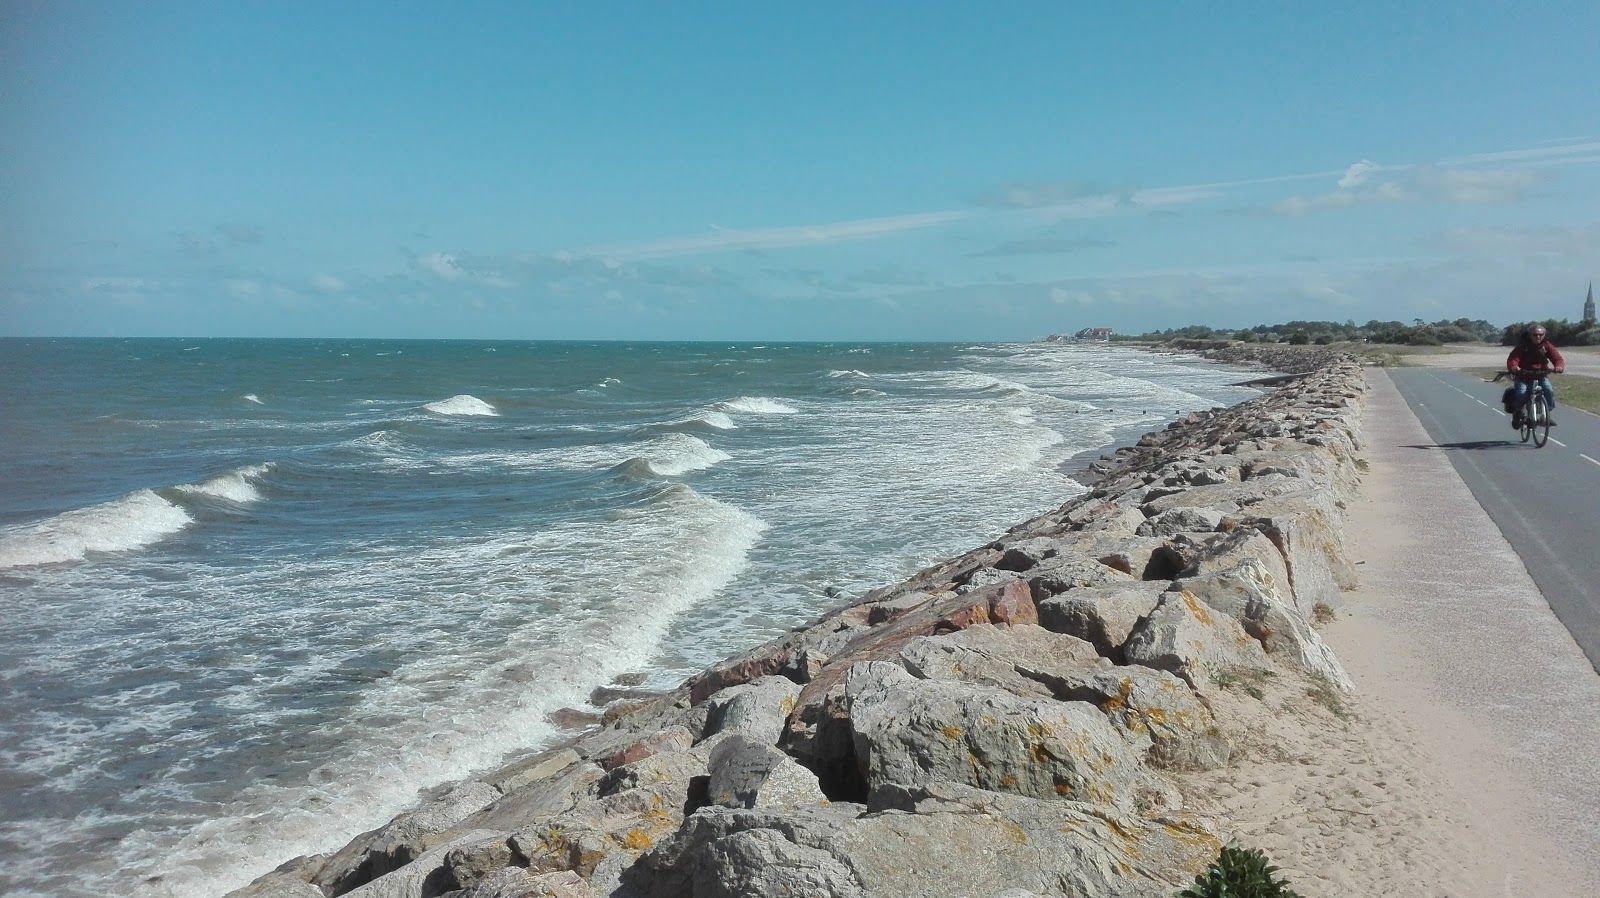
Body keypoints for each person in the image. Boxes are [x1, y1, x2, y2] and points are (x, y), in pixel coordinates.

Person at [1506, 324, 1565, 427]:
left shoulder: (1546, 345)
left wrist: (1558, 366)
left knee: (1548, 390)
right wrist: (1514, 367)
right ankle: (1518, 413)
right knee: (1521, 394)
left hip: (1540, 375)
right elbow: (1513, 359)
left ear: (1544, 335)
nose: (1538, 337)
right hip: (1523, 376)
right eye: (1535, 335)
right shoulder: (1523, 346)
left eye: (1541, 334)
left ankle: (1546, 414)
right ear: (1529, 335)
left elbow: (1557, 358)